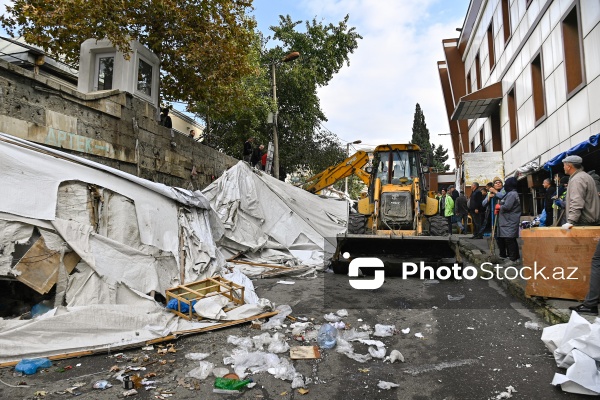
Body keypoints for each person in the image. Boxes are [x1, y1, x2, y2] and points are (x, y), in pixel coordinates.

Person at [561, 155, 600, 315]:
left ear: (569, 166)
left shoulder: (577, 179)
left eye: (564, 165)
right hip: (591, 222)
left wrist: (570, 221)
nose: (563, 168)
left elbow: (577, 202)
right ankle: (590, 298)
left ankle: (588, 299)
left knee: (589, 261)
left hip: (585, 224)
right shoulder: (586, 177)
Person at [495, 177, 521, 265]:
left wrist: (499, 207)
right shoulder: (510, 193)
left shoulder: (512, 194)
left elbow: (507, 207)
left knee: (510, 240)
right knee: (511, 239)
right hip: (508, 220)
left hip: (510, 220)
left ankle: (513, 259)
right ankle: (515, 258)